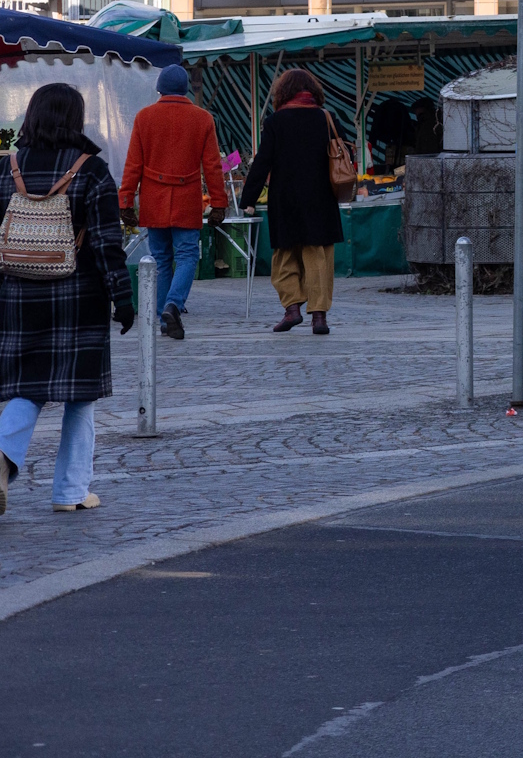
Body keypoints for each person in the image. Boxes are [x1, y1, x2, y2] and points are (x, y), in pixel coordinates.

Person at [0, 82, 132, 513]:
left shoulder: (5, 168)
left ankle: (1, 455)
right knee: (80, 394)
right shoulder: (91, 170)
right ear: (75, 119)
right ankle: (71, 492)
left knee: (26, 387)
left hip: (16, 297)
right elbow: (108, 244)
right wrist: (122, 298)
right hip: (79, 297)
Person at [117, 63, 227, 340]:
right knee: (187, 255)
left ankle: (164, 319)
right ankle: (173, 305)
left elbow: (133, 165)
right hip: (187, 199)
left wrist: (126, 200)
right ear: (185, 89)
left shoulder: (144, 117)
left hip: (153, 199)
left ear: (159, 89)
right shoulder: (203, 118)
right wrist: (219, 201)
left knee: (161, 258)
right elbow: (212, 166)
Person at [237, 69, 344, 335]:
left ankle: (292, 309)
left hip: (285, 198)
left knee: (284, 256)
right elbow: (343, 153)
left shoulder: (276, 121)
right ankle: (319, 317)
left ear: (283, 92)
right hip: (321, 197)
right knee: (318, 255)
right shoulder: (326, 117)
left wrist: (248, 198)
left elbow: (263, 161)